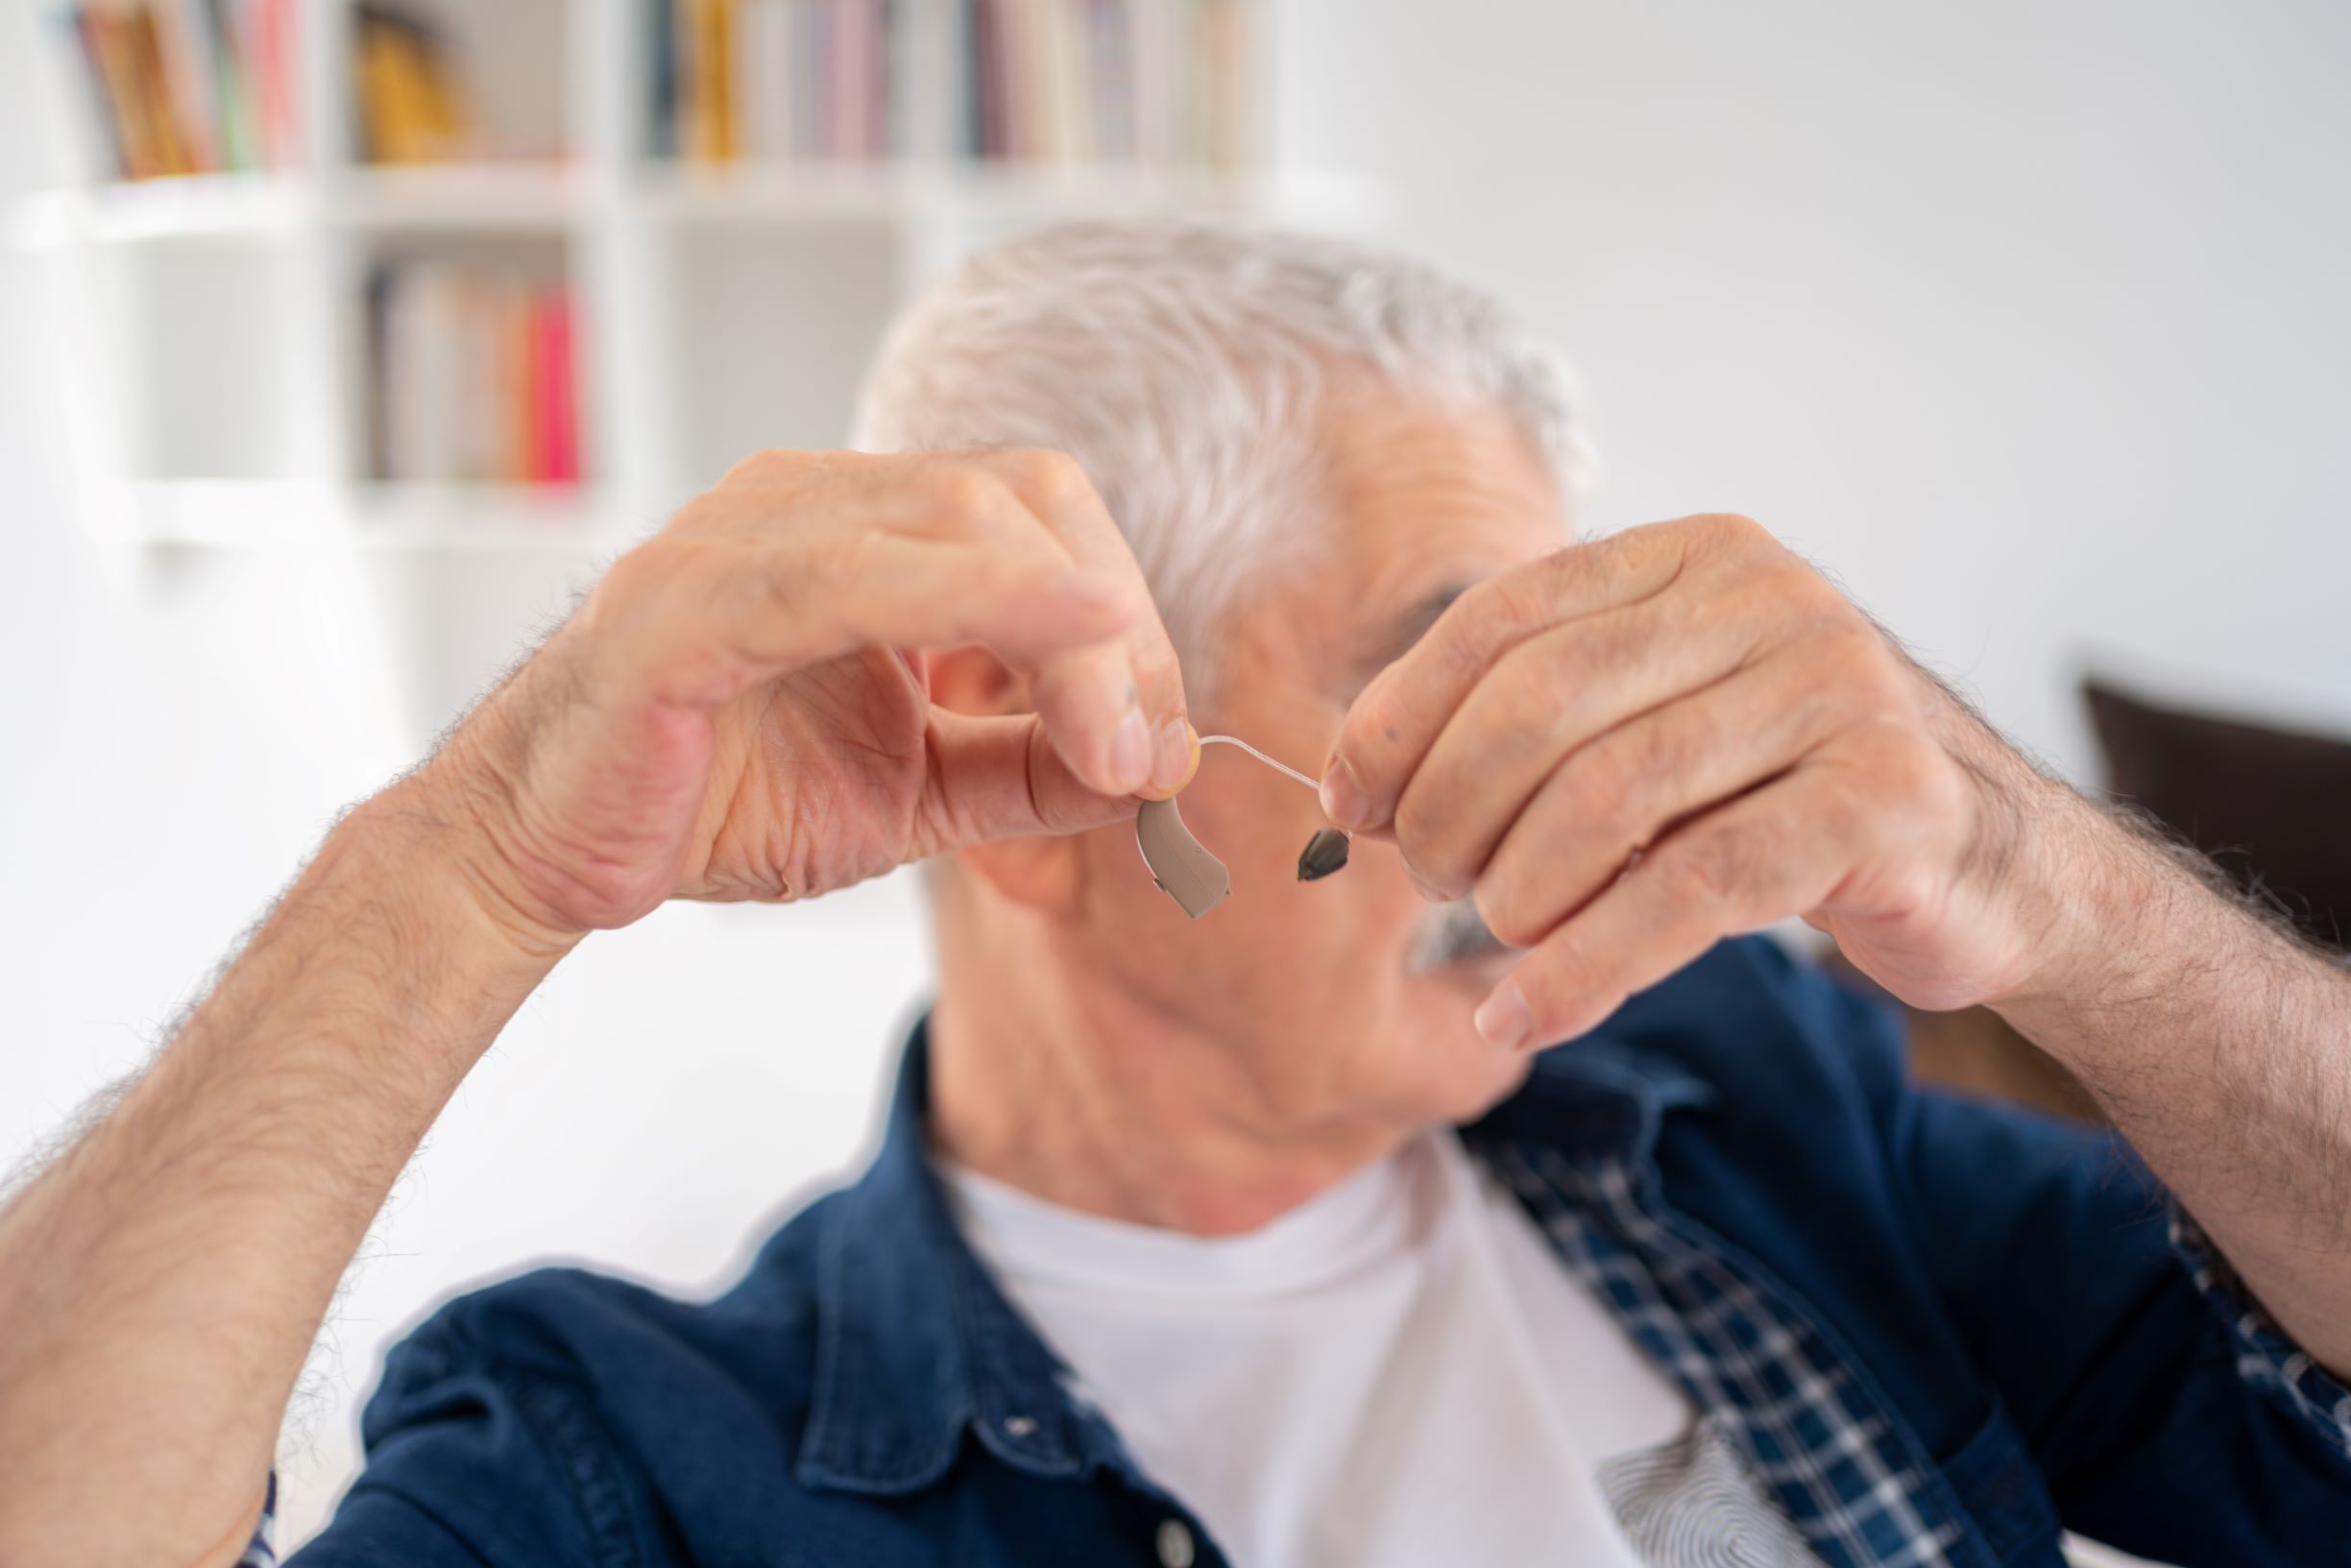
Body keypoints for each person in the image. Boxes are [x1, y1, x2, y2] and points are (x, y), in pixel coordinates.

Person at [2, 220, 2347, 1568]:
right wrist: (471, 859)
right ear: (1044, 753)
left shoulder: (1750, 1100)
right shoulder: (636, 1460)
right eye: (1444, 683)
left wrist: (2050, 882)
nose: (1573, 787)